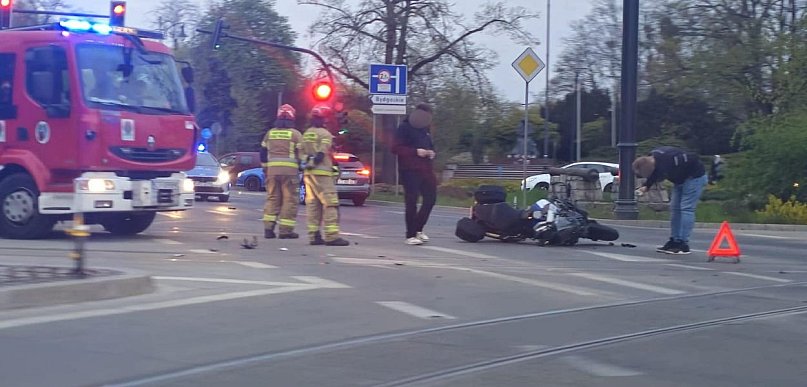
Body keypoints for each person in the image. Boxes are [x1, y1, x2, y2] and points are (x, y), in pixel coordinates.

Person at [633, 146, 707, 255]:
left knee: (686, 209)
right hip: (681, 179)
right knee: (675, 208)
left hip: (694, 178)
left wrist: (646, 185)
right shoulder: (654, 155)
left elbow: (657, 175)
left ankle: (683, 243)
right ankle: (674, 240)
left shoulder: (665, 165)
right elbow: (655, 173)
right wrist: (646, 186)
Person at [300, 106, 350, 246]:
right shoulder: (325, 134)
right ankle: (331, 236)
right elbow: (322, 153)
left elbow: (301, 154)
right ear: (326, 119)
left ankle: (314, 236)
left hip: (309, 174)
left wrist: (309, 163)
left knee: (313, 205)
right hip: (322, 175)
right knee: (330, 204)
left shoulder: (307, 133)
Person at [392, 103, 437, 245]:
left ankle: (418, 228)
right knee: (411, 201)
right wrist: (415, 151)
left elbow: (430, 146)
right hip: (409, 170)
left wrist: (431, 153)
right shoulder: (404, 128)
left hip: (426, 169)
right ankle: (410, 234)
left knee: (431, 199)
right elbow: (395, 148)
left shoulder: (425, 130)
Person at [261, 104, 303, 239]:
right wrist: (303, 166)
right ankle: (285, 231)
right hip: (290, 173)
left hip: (272, 172)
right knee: (289, 201)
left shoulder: (270, 133)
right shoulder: (295, 134)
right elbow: (302, 153)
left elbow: (263, 151)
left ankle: (268, 229)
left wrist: (265, 167)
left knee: (272, 198)